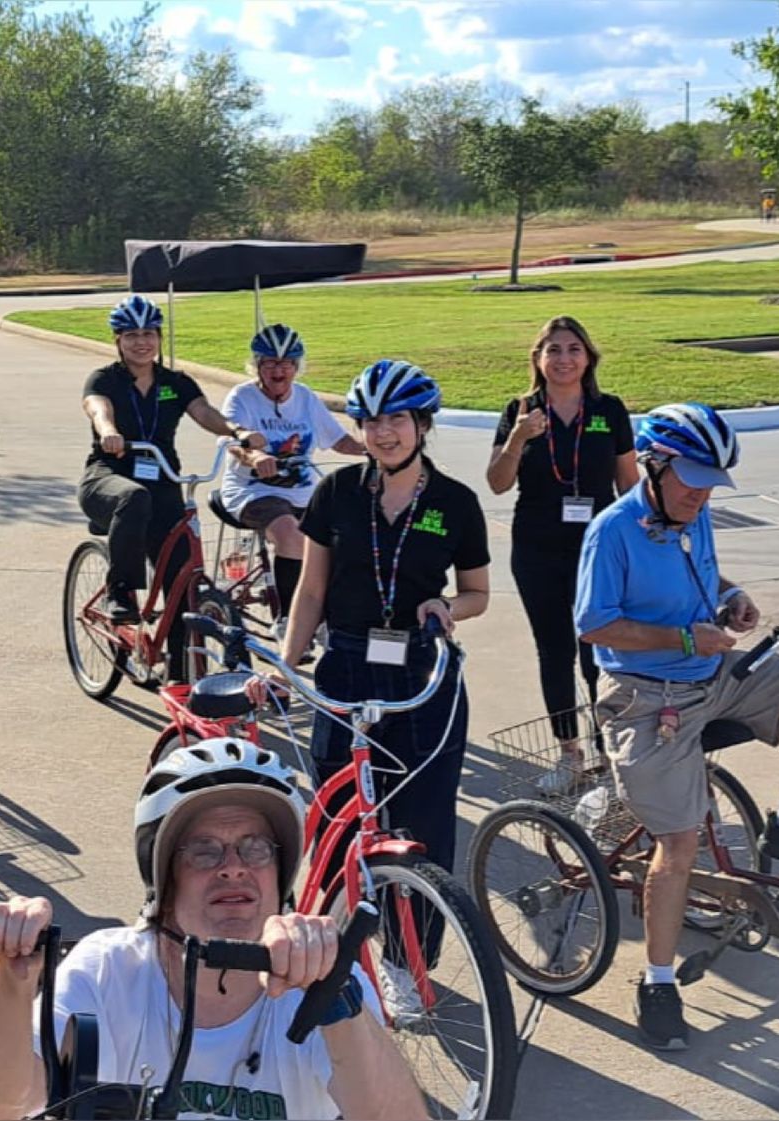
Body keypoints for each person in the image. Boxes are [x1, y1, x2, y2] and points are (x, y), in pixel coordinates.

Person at [575, 402, 779, 1051]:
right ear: (655, 465)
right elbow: (593, 624)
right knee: (676, 846)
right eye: (692, 477)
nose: (702, 492)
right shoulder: (612, 530)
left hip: (710, 670)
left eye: (711, 480)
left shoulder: (692, 513)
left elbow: (699, 573)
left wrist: (730, 594)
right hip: (645, 696)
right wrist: (681, 635)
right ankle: (656, 982)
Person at [0, 740, 425, 1121]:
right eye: (205, 851)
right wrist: (11, 979)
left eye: (256, 848)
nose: (233, 869)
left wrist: (336, 999)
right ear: (163, 876)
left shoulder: (325, 986)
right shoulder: (109, 969)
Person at [269, 360, 490, 966]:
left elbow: (478, 592)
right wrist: (285, 668)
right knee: (340, 817)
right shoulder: (335, 493)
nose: (382, 433)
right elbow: (310, 592)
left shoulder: (456, 502)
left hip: (423, 676)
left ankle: (406, 961)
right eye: (369, 421)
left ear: (422, 423)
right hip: (345, 666)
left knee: (423, 826)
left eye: (396, 419)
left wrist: (448, 606)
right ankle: (337, 951)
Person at [484, 316, 637, 769]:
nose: (564, 359)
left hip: (599, 548)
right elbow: (496, 483)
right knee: (554, 650)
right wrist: (517, 439)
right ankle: (569, 752)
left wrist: (650, 530)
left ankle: (608, 751)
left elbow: (628, 482)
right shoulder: (520, 411)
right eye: (553, 350)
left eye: (573, 349)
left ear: (588, 357)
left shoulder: (608, 410)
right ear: (538, 359)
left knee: (599, 648)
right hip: (537, 547)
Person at [80, 295, 258, 648]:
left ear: (160, 338)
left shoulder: (175, 382)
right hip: (108, 475)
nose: (141, 342)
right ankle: (120, 591)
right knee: (134, 497)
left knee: (181, 575)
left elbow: (204, 412)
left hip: (163, 479)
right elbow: (98, 409)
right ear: (117, 340)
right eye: (131, 335)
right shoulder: (105, 380)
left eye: (149, 333)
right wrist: (109, 433)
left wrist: (237, 432)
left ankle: (180, 669)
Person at [218, 323, 364, 627]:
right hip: (254, 491)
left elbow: (338, 440)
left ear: (297, 366)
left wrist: (375, 449)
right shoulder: (242, 397)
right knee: (291, 534)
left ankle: (330, 620)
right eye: (270, 362)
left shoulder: (305, 398)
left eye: (286, 363)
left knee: (350, 537)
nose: (278, 370)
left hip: (303, 491)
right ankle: (288, 621)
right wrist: (256, 456)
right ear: (257, 365)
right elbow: (234, 444)